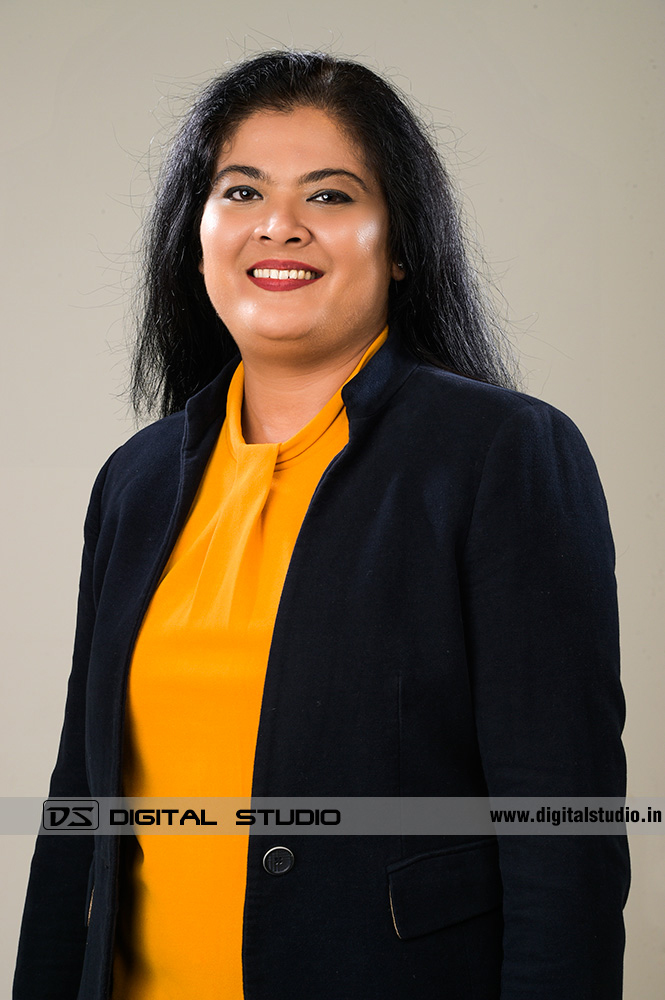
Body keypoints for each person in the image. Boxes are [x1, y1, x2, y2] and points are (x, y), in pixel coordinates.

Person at [14, 50, 629, 1000]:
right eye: (241, 190)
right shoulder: (133, 484)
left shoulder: (499, 454)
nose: (279, 225)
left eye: (331, 195)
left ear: (400, 242)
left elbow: (563, 840)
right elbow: (75, 815)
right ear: (199, 231)